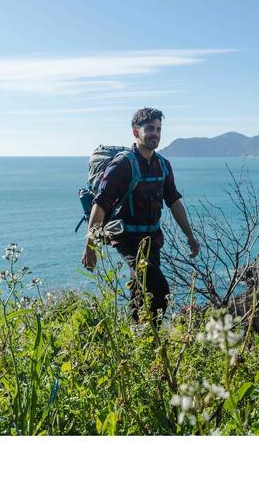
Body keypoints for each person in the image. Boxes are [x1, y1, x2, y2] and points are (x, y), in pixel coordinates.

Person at [81, 107, 199, 322]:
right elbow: (101, 205)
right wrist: (90, 246)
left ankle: (137, 334)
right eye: (150, 129)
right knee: (160, 293)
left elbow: (174, 201)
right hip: (128, 239)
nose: (155, 133)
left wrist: (190, 236)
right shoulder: (122, 166)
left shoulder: (163, 165)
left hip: (153, 239)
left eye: (159, 129)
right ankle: (151, 340)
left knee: (142, 289)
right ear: (136, 132)